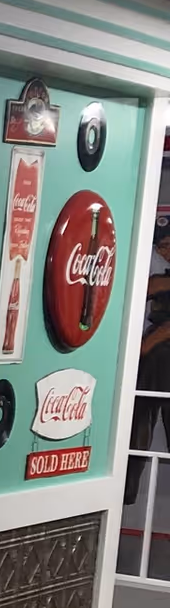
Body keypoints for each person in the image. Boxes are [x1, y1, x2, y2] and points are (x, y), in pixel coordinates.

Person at [126, 211, 170, 503]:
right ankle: (124, 493)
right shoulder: (150, 269)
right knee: (138, 430)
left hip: (156, 354)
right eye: (163, 244)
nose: (166, 249)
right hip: (151, 358)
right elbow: (147, 288)